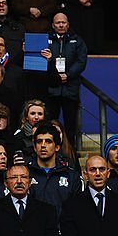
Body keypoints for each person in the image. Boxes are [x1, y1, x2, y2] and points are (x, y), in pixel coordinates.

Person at [59, 155, 118, 236]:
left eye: (102, 169)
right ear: (85, 174)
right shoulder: (71, 205)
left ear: (108, 173)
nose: (98, 174)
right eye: (93, 170)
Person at [0, 164, 59, 236]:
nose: (19, 181)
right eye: (14, 177)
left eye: (23, 177)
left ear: (30, 182)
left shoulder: (47, 210)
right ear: (6, 183)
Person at [40, 12, 88, 146]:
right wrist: (55, 75)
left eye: (63, 22)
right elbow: (39, 61)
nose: (61, 25)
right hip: (51, 89)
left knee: (70, 126)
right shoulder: (45, 40)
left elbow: (81, 61)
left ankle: (71, 152)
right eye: (58, 23)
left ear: (68, 24)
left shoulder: (77, 40)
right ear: (53, 25)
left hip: (70, 90)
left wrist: (68, 75)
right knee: (49, 124)